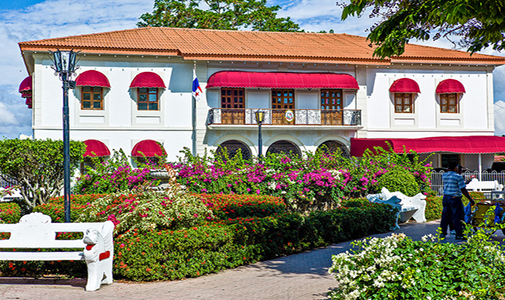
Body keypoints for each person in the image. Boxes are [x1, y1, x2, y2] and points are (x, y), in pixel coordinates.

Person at [440, 162, 475, 240]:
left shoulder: (444, 175)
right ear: (456, 168)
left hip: (446, 197)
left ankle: (442, 233)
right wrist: (470, 199)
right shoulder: (458, 177)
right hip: (455, 198)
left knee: (445, 216)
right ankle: (459, 234)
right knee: (457, 217)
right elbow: (463, 189)